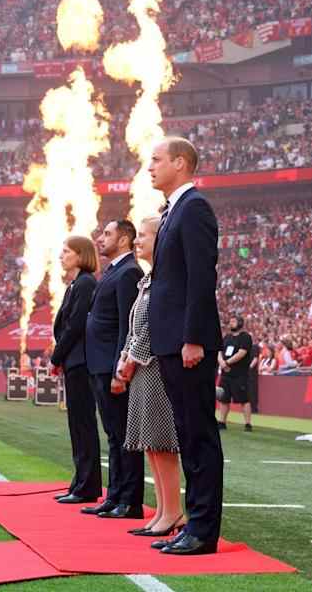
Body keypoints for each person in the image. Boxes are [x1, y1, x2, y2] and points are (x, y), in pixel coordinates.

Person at [147, 136, 223, 556]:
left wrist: (193, 337)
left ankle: (203, 530)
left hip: (186, 341)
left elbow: (200, 277)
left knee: (198, 435)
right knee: (187, 434)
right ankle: (193, 523)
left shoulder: (193, 208)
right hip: (171, 339)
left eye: (156, 160)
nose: (149, 167)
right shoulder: (173, 210)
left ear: (180, 162)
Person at [116, 216, 185, 537]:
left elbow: (152, 325)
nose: (137, 241)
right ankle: (163, 510)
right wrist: (125, 356)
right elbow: (135, 327)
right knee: (151, 445)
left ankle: (173, 512)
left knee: (162, 442)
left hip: (156, 367)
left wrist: (131, 358)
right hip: (143, 368)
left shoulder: (164, 278)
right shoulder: (148, 279)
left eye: (143, 235)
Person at [82, 220, 144, 520]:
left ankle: (130, 501)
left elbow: (127, 324)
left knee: (123, 435)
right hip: (100, 363)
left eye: (107, 234)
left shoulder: (129, 271)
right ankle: (115, 495)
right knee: (113, 434)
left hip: (112, 364)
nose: (100, 238)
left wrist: (123, 365)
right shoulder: (112, 271)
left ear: (124, 239)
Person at [50, 235, 102, 504]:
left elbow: (75, 325)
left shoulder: (84, 284)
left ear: (81, 255)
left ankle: (87, 485)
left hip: (79, 361)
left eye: (66, 251)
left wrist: (55, 357)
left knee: (83, 424)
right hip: (73, 361)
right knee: (77, 424)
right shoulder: (75, 285)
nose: (62, 255)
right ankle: (80, 482)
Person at [217, 316, 254, 432]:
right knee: (224, 399)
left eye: (233, 321)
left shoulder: (245, 337)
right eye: (230, 321)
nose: (230, 323)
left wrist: (227, 362)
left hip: (239, 374)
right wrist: (222, 362)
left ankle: (248, 424)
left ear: (240, 323)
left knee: (244, 399)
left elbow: (242, 353)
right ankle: (222, 422)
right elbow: (219, 351)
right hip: (225, 374)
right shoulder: (226, 337)